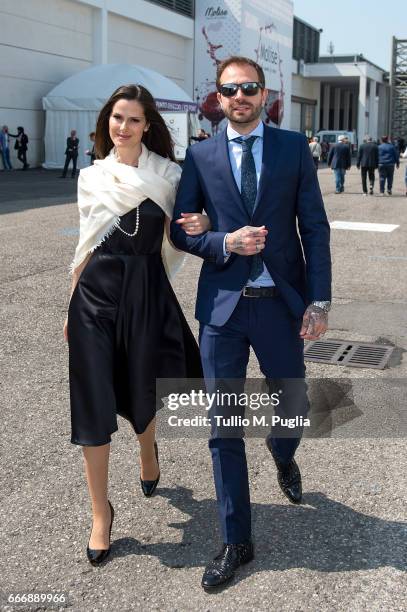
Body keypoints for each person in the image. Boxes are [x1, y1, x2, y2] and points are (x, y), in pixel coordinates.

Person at [171, 56, 331, 590]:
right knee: (223, 427)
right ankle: (236, 538)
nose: (239, 96)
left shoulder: (292, 149)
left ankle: (283, 452)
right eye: (229, 89)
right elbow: (181, 231)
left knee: (294, 408)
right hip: (222, 309)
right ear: (217, 97)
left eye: (249, 88)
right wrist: (222, 242)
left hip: (280, 304)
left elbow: (315, 227)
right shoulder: (201, 154)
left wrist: (320, 301)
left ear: (265, 94)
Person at [64, 84, 207, 567]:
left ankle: (149, 451)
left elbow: (183, 232)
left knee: (142, 386)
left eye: (132, 120)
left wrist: (206, 226)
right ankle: (100, 512)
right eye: (116, 118)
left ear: (148, 126)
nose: (122, 127)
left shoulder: (168, 175)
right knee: (91, 399)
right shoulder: (91, 176)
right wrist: (70, 308)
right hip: (94, 297)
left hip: (145, 291)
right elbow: (85, 246)